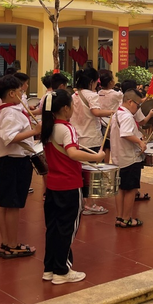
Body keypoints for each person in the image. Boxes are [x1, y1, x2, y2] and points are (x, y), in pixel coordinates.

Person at [40, 90, 104, 284]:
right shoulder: (67, 129)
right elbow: (73, 154)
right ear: (65, 108)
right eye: (72, 106)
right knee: (67, 229)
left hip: (53, 184)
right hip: (69, 184)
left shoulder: (47, 127)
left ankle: (50, 268)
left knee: (53, 228)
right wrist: (96, 158)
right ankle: (62, 271)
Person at [0, 74, 41, 258]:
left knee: (5, 205)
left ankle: (6, 242)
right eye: (20, 91)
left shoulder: (5, 110)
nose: (22, 93)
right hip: (14, 161)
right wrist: (34, 131)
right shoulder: (10, 113)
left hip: (8, 161)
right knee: (12, 206)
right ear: (12, 93)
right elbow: (9, 137)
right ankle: (11, 244)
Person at [71, 67, 115, 215]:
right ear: (91, 81)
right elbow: (95, 112)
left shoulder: (74, 95)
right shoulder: (92, 95)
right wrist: (112, 112)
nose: (98, 83)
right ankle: (90, 204)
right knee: (91, 172)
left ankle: (81, 201)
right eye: (96, 81)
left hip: (76, 138)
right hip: (91, 137)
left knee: (80, 171)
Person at [110, 89, 148, 228]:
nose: (137, 109)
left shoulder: (117, 113)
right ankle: (127, 218)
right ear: (130, 102)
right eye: (137, 105)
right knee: (131, 189)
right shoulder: (126, 116)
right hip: (129, 158)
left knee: (119, 188)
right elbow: (125, 134)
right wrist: (139, 142)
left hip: (118, 157)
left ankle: (120, 217)